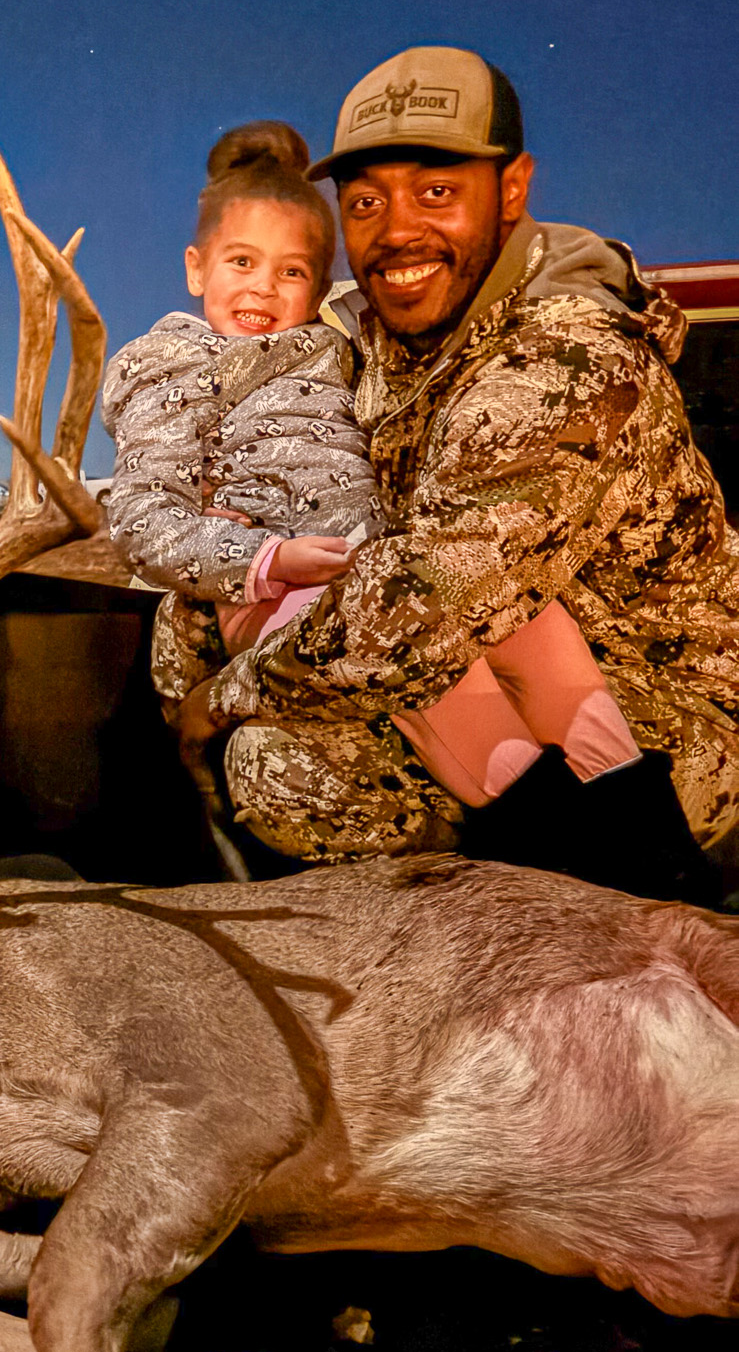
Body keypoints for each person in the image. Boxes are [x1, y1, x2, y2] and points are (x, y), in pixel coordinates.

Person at [161, 46, 738, 904]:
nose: (396, 231)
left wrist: (220, 698)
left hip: (660, 713)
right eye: (365, 202)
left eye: (435, 192)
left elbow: (413, 614)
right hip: (468, 653)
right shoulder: (372, 344)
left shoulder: (565, 360)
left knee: (284, 763)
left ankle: (620, 912)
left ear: (510, 189)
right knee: (187, 620)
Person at [105, 116, 655, 867]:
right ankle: (563, 852)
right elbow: (141, 516)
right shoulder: (170, 363)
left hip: (381, 565)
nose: (263, 288)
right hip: (277, 591)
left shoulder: (338, 344)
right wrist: (265, 557)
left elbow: (476, 306)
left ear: (320, 280)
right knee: (440, 690)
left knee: (529, 621)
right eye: (241, 262)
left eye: (291, 271)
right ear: (196, 268)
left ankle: (646, 832)